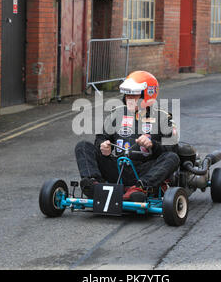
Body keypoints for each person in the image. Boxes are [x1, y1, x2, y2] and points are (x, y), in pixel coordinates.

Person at [74, 71, 180, 202]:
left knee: (172, 157)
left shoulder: (163, 118)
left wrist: (153, 145)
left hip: (145, 171)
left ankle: (140, 189)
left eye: (134, 95)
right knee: (83, 146)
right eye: (127, 94)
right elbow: (100, 138)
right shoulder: (116, 115)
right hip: (118, 168)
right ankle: (94, 185)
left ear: (147, 94)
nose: (129, 98)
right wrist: (103, 145)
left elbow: (173, 149)